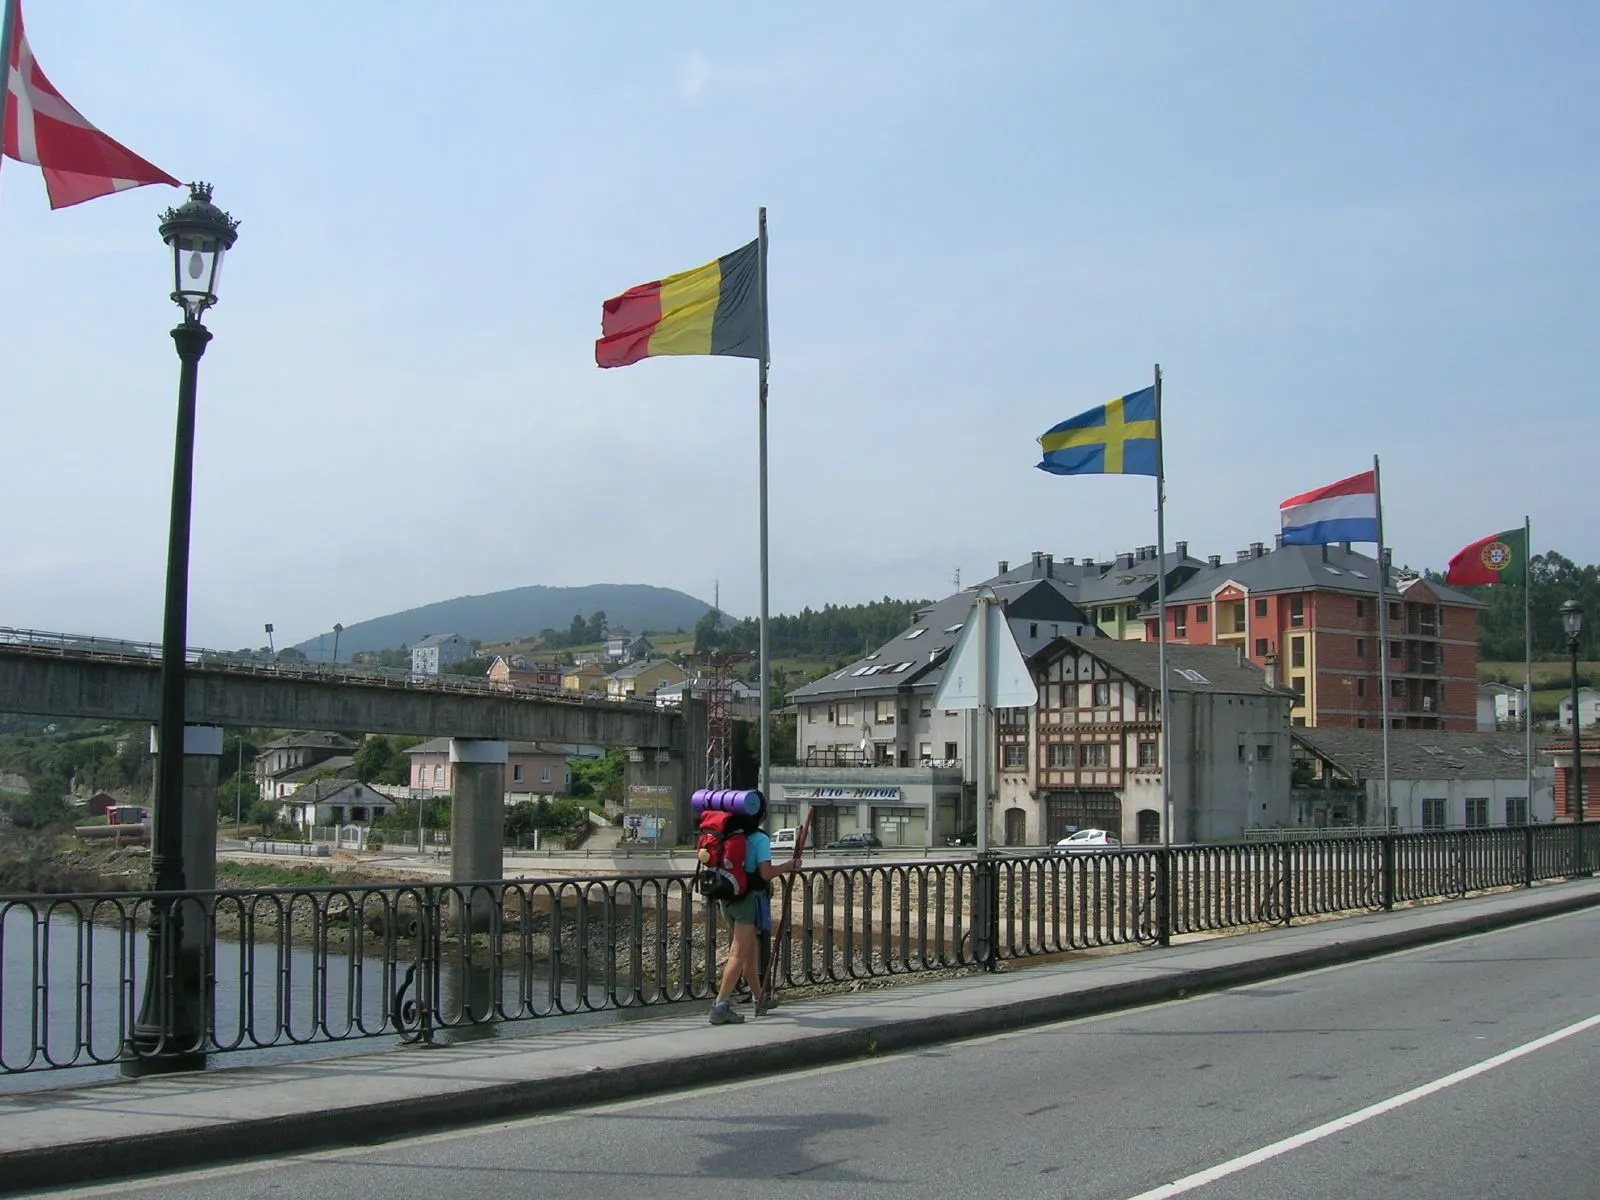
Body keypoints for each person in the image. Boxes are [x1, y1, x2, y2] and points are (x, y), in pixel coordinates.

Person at [710, 796, 801, 1025]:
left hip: (728, 898)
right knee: (738, 953)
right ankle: (720, 1006)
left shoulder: (729, 834)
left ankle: (759, 999)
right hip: (748, 900)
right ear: (761, 815)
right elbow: (766, 873)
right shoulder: (759, 839)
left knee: (751, 951)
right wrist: (789, 866)